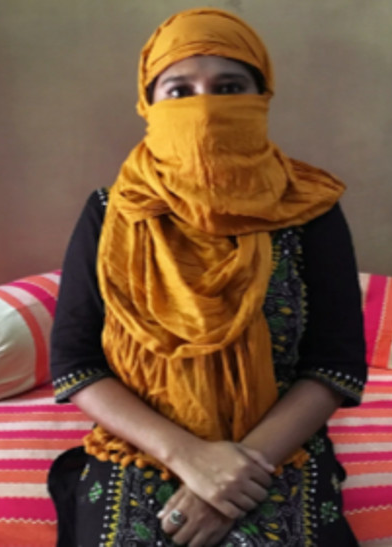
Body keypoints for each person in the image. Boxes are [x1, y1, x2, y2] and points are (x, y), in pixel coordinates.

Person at [47, 8, 367, 546]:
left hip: (275, 446)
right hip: (143, 445)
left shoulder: (308, 210)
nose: (204, 106)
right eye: (180, 90)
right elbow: (76, 363)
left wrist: (239, 471)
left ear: (261, 96)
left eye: (229, 87)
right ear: (149, 104)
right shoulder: (112, 214)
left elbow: (334, 364)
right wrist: (190, 458)